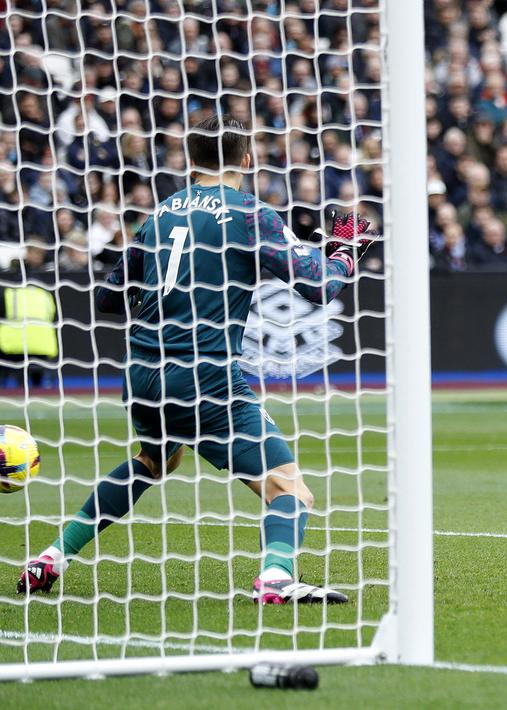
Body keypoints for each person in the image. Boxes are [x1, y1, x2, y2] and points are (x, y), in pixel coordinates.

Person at [17, 115, 375, 604]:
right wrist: (343, 254)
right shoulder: (251, 213)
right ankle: (275, 579)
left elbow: (108, 297)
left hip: (142, 373)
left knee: (155, 460)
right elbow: (318, 284)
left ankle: (52, 557)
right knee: (291, 490)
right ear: (246, 161)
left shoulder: (160, 213)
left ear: (192, 160)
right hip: (205, 376)